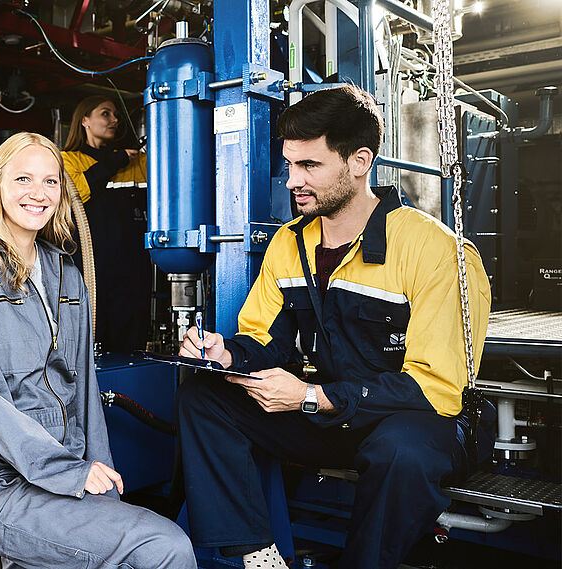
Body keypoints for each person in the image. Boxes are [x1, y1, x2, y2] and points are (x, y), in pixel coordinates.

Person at [175, 85, 491, 569]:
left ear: (360, 160)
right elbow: (264, 337)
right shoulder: (289, 243)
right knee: (204, 395)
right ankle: (256, 553)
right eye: (289, 165)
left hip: (410, 423)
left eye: (310, 166)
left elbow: (437, 390)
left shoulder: (436, 251)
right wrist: (226, 355)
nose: (291, 181)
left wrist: (310, 397)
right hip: (330, 415)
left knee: (400, 450)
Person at [0, 132, 195, 569]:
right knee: (164, 546)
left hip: (64, 468)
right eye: (24, 179)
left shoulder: (66, 272)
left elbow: (84, 386)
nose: (39, 193)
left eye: (51, 182)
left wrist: (99, 474)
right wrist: (66, 472)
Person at [61, 95, 152, 353]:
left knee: (131, 342)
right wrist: (118, 159)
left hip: (133, 271)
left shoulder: (135, 163)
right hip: (92, 271)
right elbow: (78, 191)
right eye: (105, 114)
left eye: (115, 115)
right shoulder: (67, 160)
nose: (114, 120)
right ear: (85, 120)